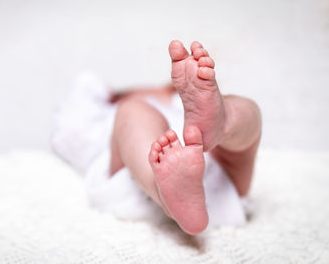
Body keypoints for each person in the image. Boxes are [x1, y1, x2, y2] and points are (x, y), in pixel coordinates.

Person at [52, 40, 262, 235]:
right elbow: (70, 129)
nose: (156, 92)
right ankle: (165, 191)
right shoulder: (106, 116)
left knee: (245, 110)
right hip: (137, 175)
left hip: (212, 167)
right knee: (133, 112)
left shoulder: (182, 105)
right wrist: (101, 90)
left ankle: (222, 123)